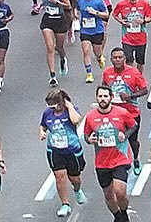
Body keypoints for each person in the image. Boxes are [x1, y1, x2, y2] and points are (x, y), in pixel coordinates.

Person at [83, 85, 136, 222]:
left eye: (105, 96)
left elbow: (133, 125)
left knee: (119, 191)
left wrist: (125, 135)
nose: (103, 99)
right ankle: (118, 216)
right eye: (100, 96)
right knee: (108, 195)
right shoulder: (90, 116)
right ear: (96, 98)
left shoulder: (121, 112)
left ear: (111, 98)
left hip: (120, 158)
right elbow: (86, 135)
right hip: (102, 161)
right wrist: (89, 140)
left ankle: (124, 213)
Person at [40, 89, 86, 218]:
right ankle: (65, 204)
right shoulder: (47, 113)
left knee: (74, 178)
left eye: (53, 105)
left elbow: (76, 120)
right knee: (59, 176)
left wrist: (69, 105)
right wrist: (42, 132)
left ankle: (77, 189)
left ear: (61, 103)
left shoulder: (70, 110)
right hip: (54, 150)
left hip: (72, 149)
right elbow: (43, 125)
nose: (51, 108)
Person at [101, 47, 147, 174]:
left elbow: (144, 90)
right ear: (111, 59)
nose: (117, 60)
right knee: (115, 138)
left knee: (132, 139)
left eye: (120, 57)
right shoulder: (107, 73)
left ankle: (136, 158)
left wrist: (130, 96)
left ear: (125, 59)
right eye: (115, 57)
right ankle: (117, 163)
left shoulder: (134, 72)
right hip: (113, 112)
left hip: (131, 112)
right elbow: (104, 88)